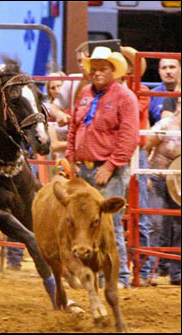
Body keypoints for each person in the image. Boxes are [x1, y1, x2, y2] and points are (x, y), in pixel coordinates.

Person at [65, 46, 139, 289]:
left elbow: (129, 137)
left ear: (113, 71)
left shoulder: (125, 97)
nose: (96, 73)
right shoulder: (85, 93)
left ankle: (119, 277)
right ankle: (87, 273)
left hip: (108, 171)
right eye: (93, 69)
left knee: (110, 225)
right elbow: (74, 127)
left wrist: (111, 165)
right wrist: (70, 158)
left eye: (102, 69)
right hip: (83, 169)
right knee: (82, 224)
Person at [120, 45, 153, 285]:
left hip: (136, 151)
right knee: (121, 212)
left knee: (141, 213)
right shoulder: (112, 92)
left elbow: (129, 112)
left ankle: (145, 269)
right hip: (119, 151)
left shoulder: (140, 90)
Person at [145, 99, 181, 286]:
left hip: (178, 182)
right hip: (158, 177)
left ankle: (177, 272)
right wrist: (147, 176)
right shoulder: (166, 125)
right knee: (156, 223)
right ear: (178, 106)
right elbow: (145, 145)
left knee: (179, 227)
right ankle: (149, 269)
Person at [49, 42, 91, 126]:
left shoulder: (111, 83)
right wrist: (59, 114)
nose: (82, 64)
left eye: (86, 59)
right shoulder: (72, 80)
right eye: (79, 61)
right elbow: (54, 107)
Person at [148, 59, 181, 126]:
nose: (168, 71)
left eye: (172, 67)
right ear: (159, 72)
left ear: (180, 69)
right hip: (159, 134)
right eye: (164, 68)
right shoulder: (151, 95)